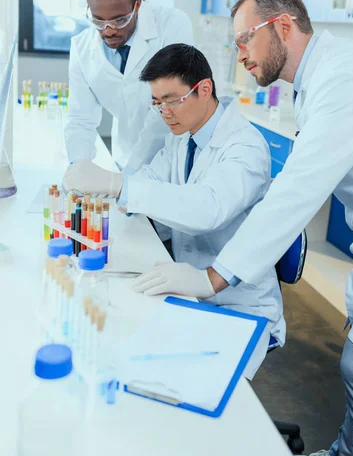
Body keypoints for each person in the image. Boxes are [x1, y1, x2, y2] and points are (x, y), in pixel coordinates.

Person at [111, 0, 353, 456]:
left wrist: (214, 277)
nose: (238, 53)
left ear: (282, 26)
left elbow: (296, 193)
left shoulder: (345, 79)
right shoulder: (320, 78)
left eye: (245, 39)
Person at [63, 43, 285, 379]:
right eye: (157, 102)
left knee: (178, 385)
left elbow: (206, 209)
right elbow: (152, 177)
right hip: (188, 284)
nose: (164, 111)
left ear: (204, 89)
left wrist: (118, 186)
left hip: (237, 304)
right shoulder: (183, 136)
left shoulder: (245, 148)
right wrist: (109, 190)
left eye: (171, 100)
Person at [64, 0, 193, 170]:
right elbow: (81, 118)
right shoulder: (81, 48)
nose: (109, 30)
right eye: (98, 20)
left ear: (137, 6)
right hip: (123, 154)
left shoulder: (172, 26)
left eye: (120, 20)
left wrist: (130, 177)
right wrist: (79, 167)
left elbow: (166, 109)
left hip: (172, 156)